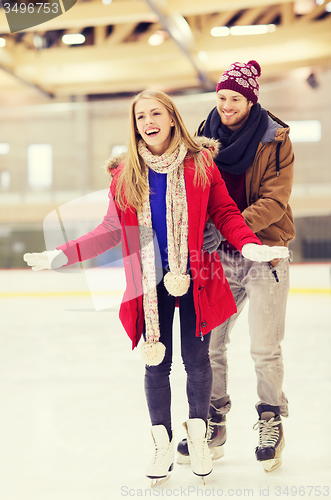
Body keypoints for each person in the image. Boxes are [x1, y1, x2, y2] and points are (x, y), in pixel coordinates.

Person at [24, 89, 289, 484]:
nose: (147, 122)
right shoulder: (126, 172)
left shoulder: (200, 164)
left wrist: (249, 244)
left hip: (197, 275)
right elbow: (111, 230)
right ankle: (161, 444)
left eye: (155, 114)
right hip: (149, 282)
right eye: (140, 117)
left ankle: (199, 437)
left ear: (171, 118)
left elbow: (226, 213)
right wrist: (62, 254)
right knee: (156, 363)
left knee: (198, 361)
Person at [176, 60, 295, 473]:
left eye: (235, 99)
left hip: (266, 249)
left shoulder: (275, 138)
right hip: (219, 257)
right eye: (222, 97)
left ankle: (270, 418)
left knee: (264, 347)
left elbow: (275, 200)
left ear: (251, 100)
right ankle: (214, 419)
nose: (226, 105)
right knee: (210, 343)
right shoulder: (200, 138)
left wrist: (229, 229)